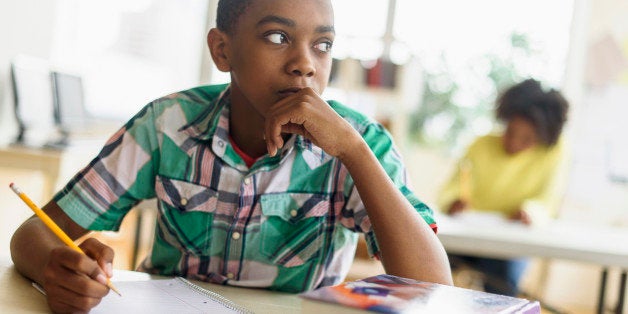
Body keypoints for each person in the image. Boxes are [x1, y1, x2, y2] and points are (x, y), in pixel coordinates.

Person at [10, 0, 452, 312]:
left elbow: (435, 288)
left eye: (323, 45)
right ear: (222, 50)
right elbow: (33, 232)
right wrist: (58, 268)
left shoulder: (361, 143)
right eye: (278, 37)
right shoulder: (166, 124)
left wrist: (353, 152)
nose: (305, 64)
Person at [437, 78, 570, 296]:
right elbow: (450, 188)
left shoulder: (553, 152)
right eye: (510, 132)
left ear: (543, 137)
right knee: (428, 260)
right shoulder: (481, 145)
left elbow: (548, 201)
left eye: (527, 139)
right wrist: (454, 201)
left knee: (501, 284)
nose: (514, 143)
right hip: (467, 238)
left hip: (509, 246)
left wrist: (530, 212)